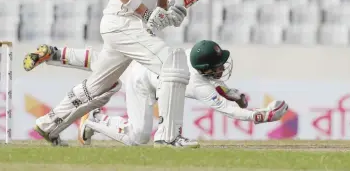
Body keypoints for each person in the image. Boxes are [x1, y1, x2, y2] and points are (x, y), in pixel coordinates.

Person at [26, 0, 198, 147]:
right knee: (171, 64)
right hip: (121, 22)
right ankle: (169, 137)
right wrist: (148, 15)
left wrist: (172, 15)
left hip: (133, 27)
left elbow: (163, 3)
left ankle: (49, 124)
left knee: (99, 87)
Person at [23, 40, 289, 146]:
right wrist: (260, 116)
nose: (222, 69)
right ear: (206, 68)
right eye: (217, 66)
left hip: (141, 62)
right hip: (141, 82)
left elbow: (222, 91)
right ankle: (94, 121)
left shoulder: (188, 56)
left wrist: (233, 92)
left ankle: (58, 54)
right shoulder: (197, 83)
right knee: (138, 137)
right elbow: (227, 109)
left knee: (103, 62)